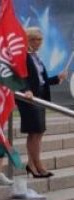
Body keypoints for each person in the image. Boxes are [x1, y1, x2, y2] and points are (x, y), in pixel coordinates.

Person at [19, 27, 68, 177]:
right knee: (34, 131)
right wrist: (26, 89)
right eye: (36, 39)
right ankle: (37, 164)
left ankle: (32, 164)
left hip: (40, 97)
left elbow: (41, 80)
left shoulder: (35, 56)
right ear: (28, 40)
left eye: (40, 40)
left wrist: (56, 78)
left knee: (38, 132)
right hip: (29, 97)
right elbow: (21, 75)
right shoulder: (22, 55)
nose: (39, 43)